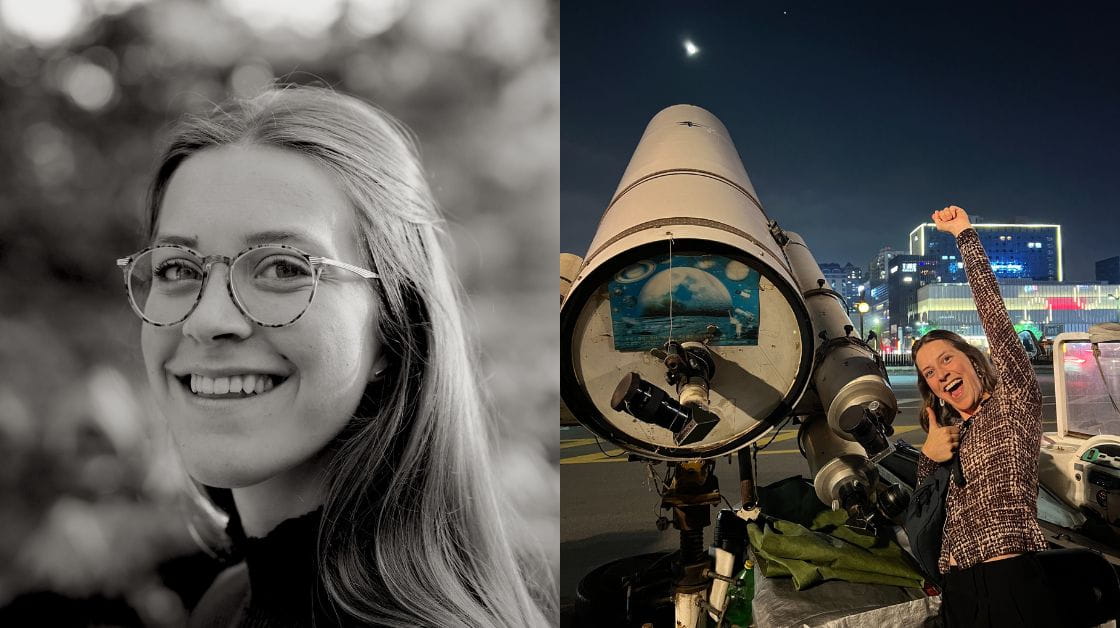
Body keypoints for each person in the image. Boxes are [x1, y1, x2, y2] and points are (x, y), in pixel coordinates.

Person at [115, 86, 553, 627]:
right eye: (178, 269)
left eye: (283, 268)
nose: (208, 321)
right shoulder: (229, 604)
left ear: (395, 328)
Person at [911, 206, 1058, 626]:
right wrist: (930, 455)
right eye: (930, 372)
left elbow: (995, 318)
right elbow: (924, 509)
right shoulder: (951, 434)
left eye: (947, 359)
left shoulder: (1012, 403)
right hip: (957, 588)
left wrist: (964, 235)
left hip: (1008, 579)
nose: (941, 374)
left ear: (973, 361)